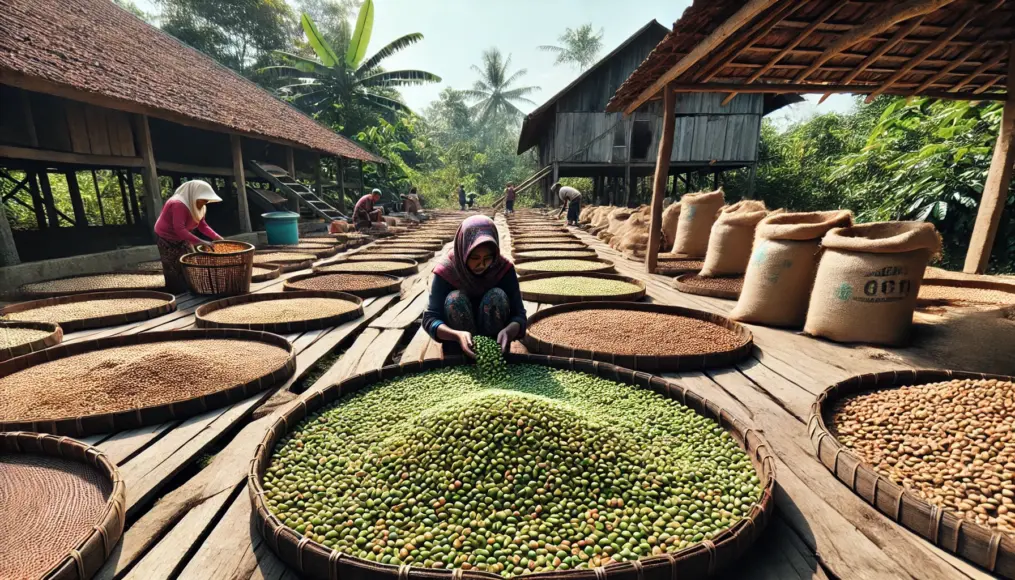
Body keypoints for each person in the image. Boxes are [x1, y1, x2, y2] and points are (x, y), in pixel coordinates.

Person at [423, 215, 527, 357]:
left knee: (496, 296)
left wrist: (509, 330)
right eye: (475, 258)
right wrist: (456, 335)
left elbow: (519, 315)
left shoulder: (503, 269)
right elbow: (430, 319)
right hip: (456, 345)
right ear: (463, 251)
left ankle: (493, 356)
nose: (482, 265)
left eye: (487, 258)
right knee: (455, 299)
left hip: (494, 349)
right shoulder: (447, 271)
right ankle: (460, 355)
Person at [153, 180, 224, 293]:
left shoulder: (200, 207)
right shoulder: (178, 204)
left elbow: (202, 225)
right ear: (194, 195)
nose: (204, 203)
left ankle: (190, 288)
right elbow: (179, 229)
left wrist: (217, 237)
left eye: (206, 201)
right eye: (202, 200)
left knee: (189, 260)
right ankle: (177, 293)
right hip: (166, 236)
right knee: (172, 265)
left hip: (182, 236)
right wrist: (201, 242)